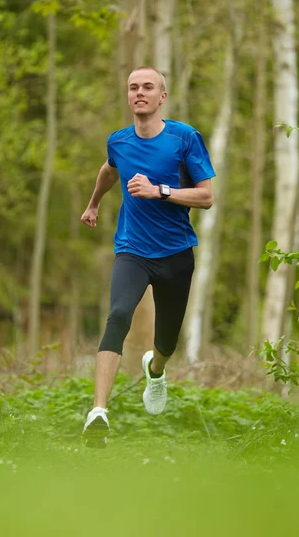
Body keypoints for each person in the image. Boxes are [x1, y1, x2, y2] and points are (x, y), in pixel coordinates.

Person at [80, 66, 215, 447]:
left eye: (148, 87)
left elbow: (206, 197)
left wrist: (161, 191)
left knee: (167, 340)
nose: (140, 92)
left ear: (162, 97)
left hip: (176, 253)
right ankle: (99, 412)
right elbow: (109, 171)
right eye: (133, 87)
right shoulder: (118, 142)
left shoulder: (185, 138)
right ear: (128, 96)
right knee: (118, 314)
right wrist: (93, 204)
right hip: (132, 249)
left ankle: (155, 372)